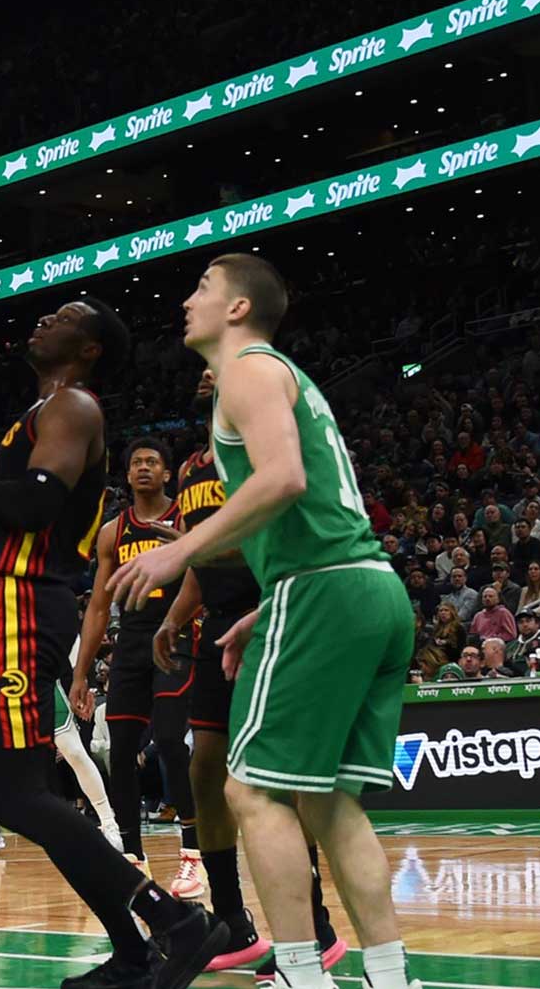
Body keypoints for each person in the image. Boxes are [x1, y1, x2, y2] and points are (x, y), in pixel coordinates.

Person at [0, 298, 227, 989]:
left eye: (66, 315)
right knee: (17, 794)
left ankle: (174, 922)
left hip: (20, 602)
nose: (45, 319)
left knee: (18, 795)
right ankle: (133, 956)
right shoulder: (37, 419)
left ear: (91, 347)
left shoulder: (74, 407)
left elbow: (34, 501)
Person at [110, 254, 418, 989]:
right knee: (328, 797)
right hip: (367, 588)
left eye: (203, 289)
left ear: (240, 308)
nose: (188, 301)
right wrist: (267, 607)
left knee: (249, 791)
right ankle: (389, 975)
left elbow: (285, 478)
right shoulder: (278, 375)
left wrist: (177, 549)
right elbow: (312, 508)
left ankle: (303, 975)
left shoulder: (247, 367)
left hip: (326, 588)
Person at [155, 371, 347, 978]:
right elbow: (200, 555)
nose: (208, 366)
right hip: (215, 627)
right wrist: (174, 614)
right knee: (205, 768)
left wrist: (193, 546)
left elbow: (280, 534)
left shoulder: (267, 441)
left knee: (274, 780)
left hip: (277, 614)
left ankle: (315, 930)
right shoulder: (189, 467)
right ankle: (231, 925)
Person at [73, 437, 202, 894]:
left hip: (178, 633)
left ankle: (193, 853)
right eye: (136, 463)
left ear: (168, 473)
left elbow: (208, 572)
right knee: (120, 751)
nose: (144, 468)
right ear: (126, 475)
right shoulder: (113, 531)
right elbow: (97, 608)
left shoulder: (186, 519)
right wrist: (81, 673)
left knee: (169, 738)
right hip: (129, 642)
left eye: (153, 462)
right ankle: (133, 856)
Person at [0, 637, 122, 859]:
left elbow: (71, 635)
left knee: (73, 751)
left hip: (37, 682)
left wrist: (79, 679)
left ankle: (109, 823)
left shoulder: (43, 605)